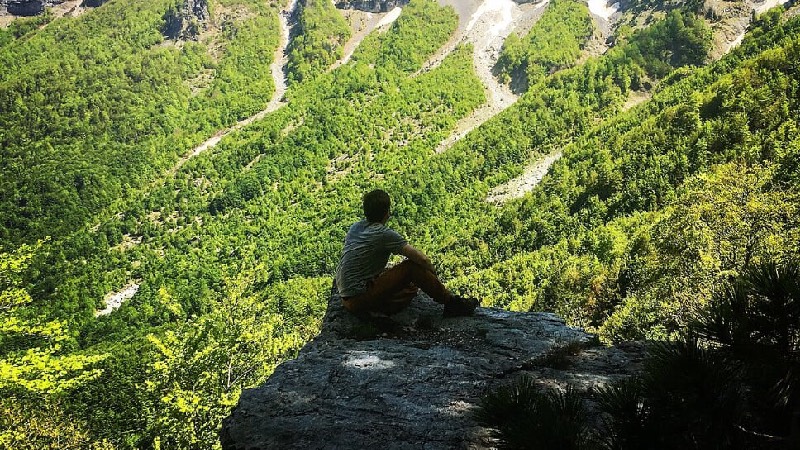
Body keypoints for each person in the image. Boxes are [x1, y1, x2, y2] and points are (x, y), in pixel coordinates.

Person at [335, 189, 479, 317]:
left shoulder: (356, 227)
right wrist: (433, 278)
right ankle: (452, 303)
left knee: (408, 285)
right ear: (387, 212)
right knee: (411, 268)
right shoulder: (384, 234)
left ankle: (381, 306)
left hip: (346, 297)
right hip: (357, 299)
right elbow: (422, 260)